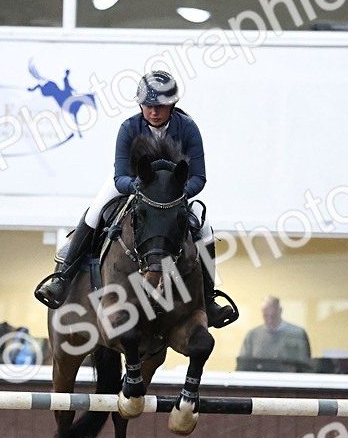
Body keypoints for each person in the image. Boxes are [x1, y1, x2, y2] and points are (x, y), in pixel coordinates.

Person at [33, 70, 238, 328]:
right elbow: (119, 177)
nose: (153, 111)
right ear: (140, 104)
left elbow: (199, 177)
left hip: (171, 193)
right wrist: (141, 188)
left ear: (172, 105)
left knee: (205, 227)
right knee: (95, 211)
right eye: (148, 105)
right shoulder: (129, 128)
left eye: (160, 106)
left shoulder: (188, 128)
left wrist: (176, 194)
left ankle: (209, 299)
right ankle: (62, 280)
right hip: (132, 182)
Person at [238, 297, 311, 370]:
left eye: (273, 316)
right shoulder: (252, 336)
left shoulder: (297, 334)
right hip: (260, 380)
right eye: (265, 316)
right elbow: (243, 366)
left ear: (280, 311)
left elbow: (305, 366)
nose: (269, 321)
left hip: (289, 380)